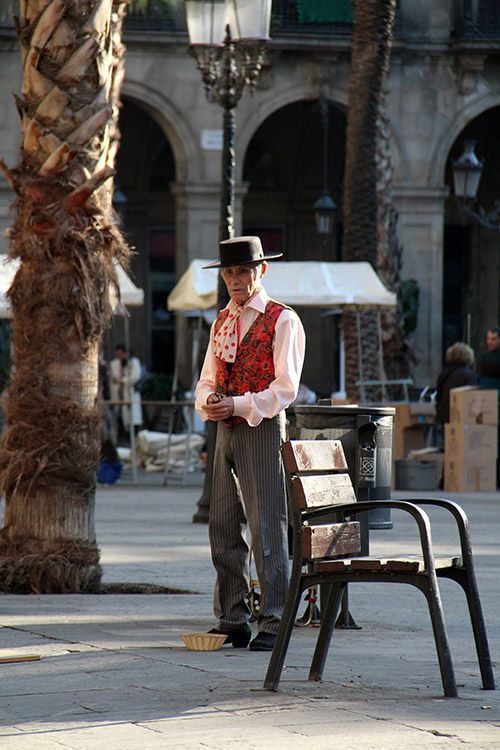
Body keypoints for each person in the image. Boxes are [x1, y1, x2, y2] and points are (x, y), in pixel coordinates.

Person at [195, 236, 306, 652]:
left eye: (243, 271)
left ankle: (274, 619)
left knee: (266, 526)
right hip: (225, 427)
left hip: (260, 427)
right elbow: (207, 376)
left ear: (262, 271)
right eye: (229, 272)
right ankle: (233, 617)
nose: (236, 279)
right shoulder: (222, 320)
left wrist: (238, 403)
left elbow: (285, 388)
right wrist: (208, 400)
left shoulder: (283, 320)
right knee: (222, 523)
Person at [435, 342, 478, 434]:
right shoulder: (469, 374)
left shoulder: (443, 374)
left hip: (444, 415)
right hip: (460, 416)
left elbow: (439, 395)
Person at [478, 326, 500, 486]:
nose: (490, 342)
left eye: (494, 339)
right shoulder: (485, 357)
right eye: (489, 339)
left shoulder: (487, 358)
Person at [109, 344, 143, 443]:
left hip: (130, 393)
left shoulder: (133, 362)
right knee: (119, 417)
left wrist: (123, 381)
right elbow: (113, 378)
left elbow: (135, 377)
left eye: (121, 355)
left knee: (133, 417)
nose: (120, 357)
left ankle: (133, 439)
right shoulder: (114, 364)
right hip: (118, 394)